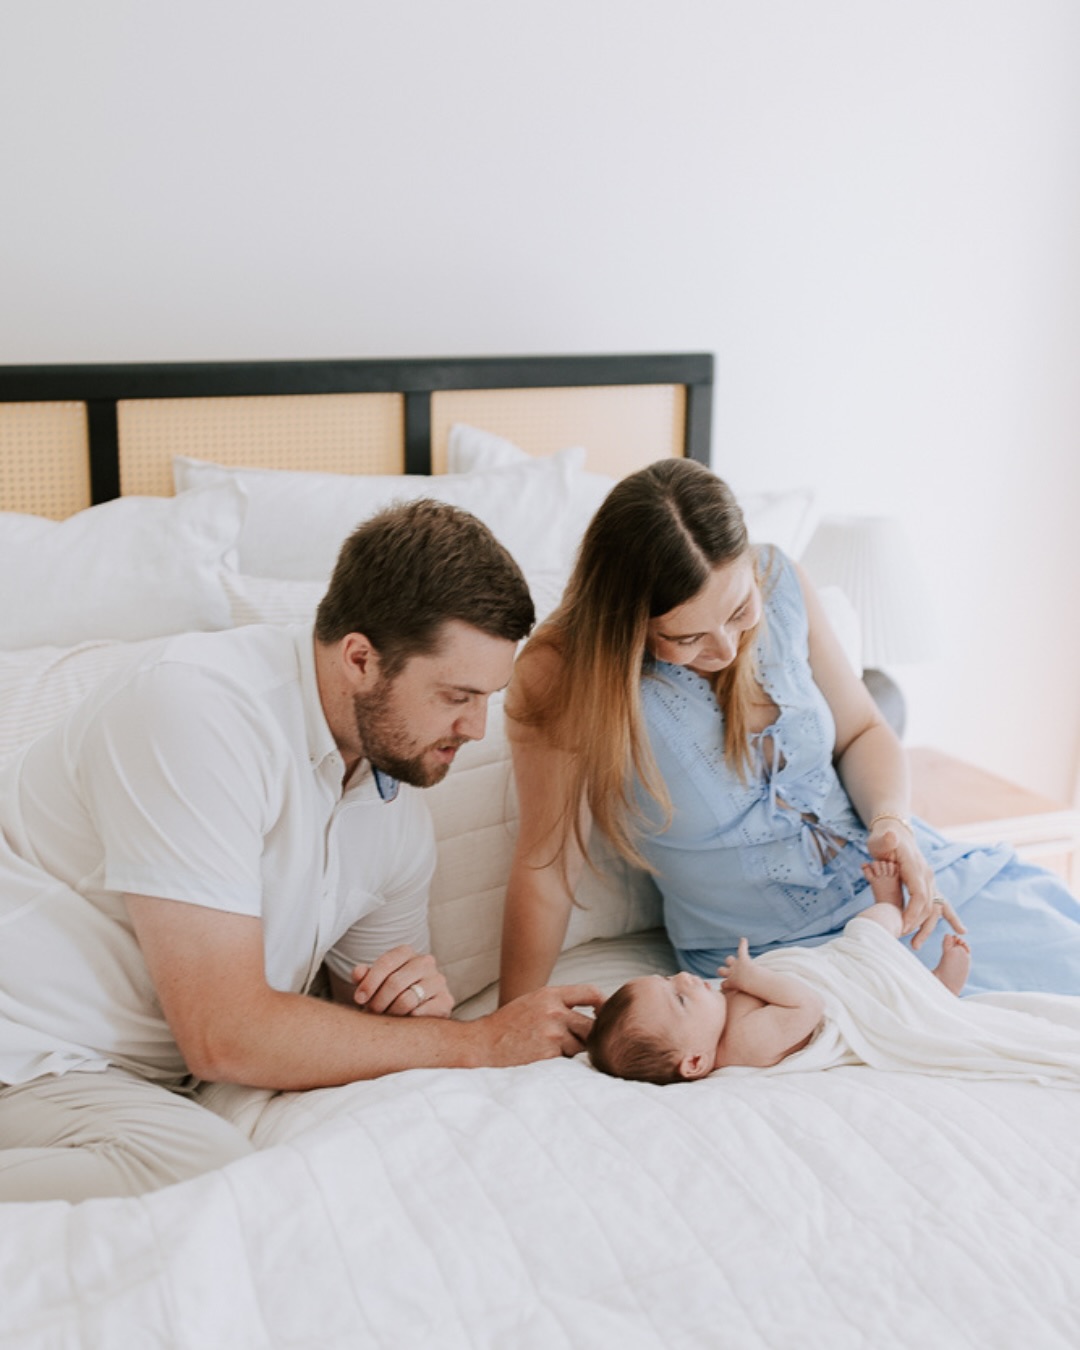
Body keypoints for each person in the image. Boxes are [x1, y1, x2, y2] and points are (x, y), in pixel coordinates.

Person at [0, 499, 601, 1202]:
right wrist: (479, 1042)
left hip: (134, 1077)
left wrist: (410, 1004)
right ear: (360, 659)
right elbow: (224, 1034)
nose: (475, 728)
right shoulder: (195, 711)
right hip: (27, 1046)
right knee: (203, 1175)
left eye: (488, 697)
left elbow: (367, 1018)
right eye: (455, 696)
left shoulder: (394, 804)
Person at [499, 458, 1080, 1005]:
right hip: (777, 962)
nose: (726, 649)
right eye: (686, 638)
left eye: (738, 612)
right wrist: (513, 1020)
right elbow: (547, 866)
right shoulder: (562, 672)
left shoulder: (780, 579)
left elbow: (862, 731)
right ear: (629, 621)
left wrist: (891, 823)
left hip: (913, 894)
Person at [588, 859, 1080, 1089]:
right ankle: (919, 965)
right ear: (694, 1062)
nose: (683, 980)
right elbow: (808, 1005)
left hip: (838, 974)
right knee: (866, 932)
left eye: (668, 980)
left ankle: (926, 985)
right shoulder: (743, 1045)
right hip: (850, 995)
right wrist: (753, 979)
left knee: (865, 946)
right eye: (678, 998)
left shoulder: (712, 1017)